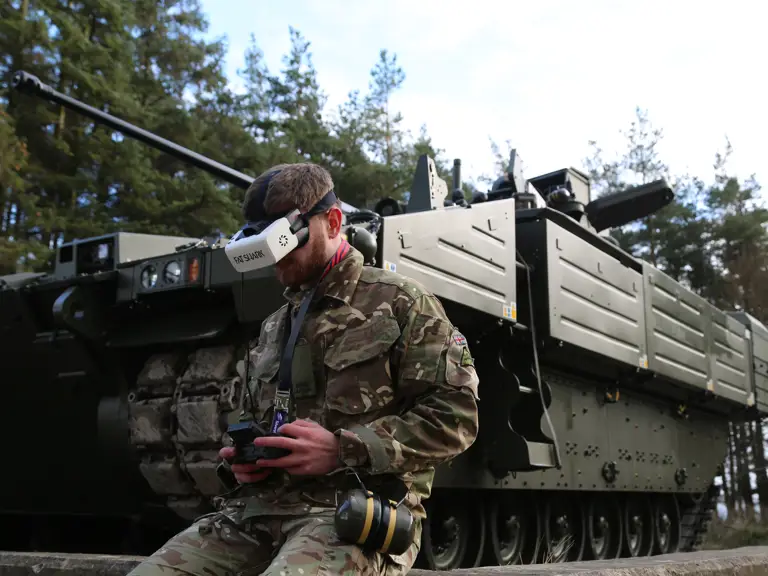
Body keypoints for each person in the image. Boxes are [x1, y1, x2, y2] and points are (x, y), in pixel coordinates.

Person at [127, 163, 480, 576]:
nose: (277, 262)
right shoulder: (275, 325)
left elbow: (458, 418)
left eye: (287, 243)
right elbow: (252, 418)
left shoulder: (401, 303)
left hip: (351, 512)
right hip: (255, 513)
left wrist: (343, 448)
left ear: (332, 222)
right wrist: (243, 460)